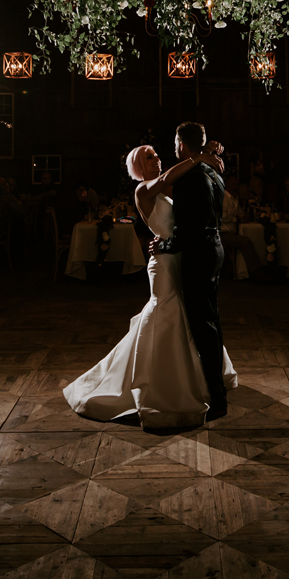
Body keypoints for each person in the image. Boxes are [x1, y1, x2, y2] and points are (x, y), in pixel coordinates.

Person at [63, 139, 236, 429]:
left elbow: (189, 200)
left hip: (178, 256)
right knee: (166, 316)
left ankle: (200, 378)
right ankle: (163, 384)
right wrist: (199, 157)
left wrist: (210, 157)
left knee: (188, 317)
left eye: (156, 154)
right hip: (165, 265)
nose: (156, 159)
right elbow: (169, 178)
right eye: (148, 157)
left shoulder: (167, 186)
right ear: (137, 167)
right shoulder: (143, 189)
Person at [164, 123, 232, 419]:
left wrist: (166, 245)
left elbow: (187, 227)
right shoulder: (213, 172)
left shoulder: (188, 179)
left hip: (199, 253)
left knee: (203, 326)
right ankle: (215, 387)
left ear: (181, 144)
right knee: (212, 320)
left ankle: (216, 399)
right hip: (215, 248)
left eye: (176, 141)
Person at [219, 174, 263, 278]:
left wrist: (243, 216)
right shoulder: (223, 198)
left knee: (253, 238)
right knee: (245, 241)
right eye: (233, 184)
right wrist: (236, 219)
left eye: (236, 185)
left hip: (232, 231)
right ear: (226, 185)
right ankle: (256, 271)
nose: (235, 187)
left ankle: (256, 268)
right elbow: (222, 217)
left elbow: (239, 214)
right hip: (222, 233)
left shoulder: (235, 198)